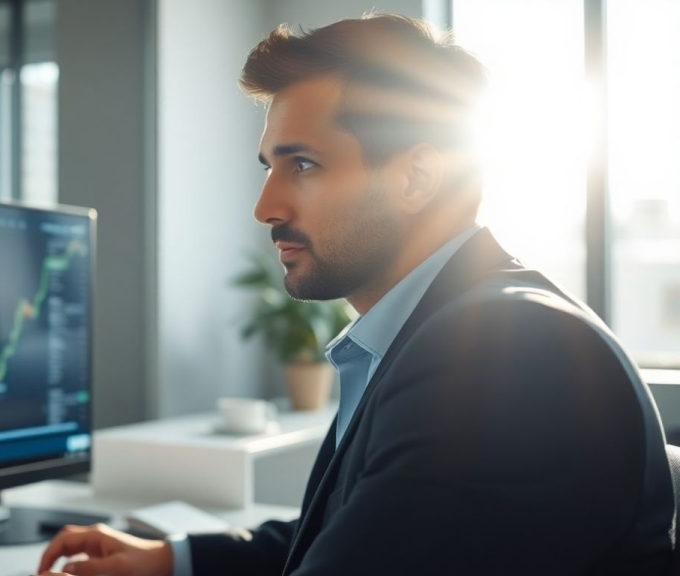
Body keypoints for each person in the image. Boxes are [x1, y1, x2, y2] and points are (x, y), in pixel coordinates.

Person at [37, 13, 674, 576]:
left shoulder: (507, 355)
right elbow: (355, 532)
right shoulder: (446, 330)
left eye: (304, 165)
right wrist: (169, 559)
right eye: (270, 167)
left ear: (417, 177)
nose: (265, 206)